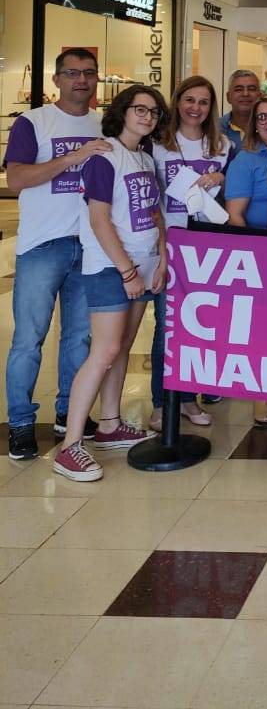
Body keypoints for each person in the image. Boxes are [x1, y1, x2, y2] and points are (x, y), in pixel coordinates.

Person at [53, 86, 168, 481]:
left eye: (154, 112)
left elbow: (153, 213)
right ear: (122, 112)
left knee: (121, 348)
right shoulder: (104, 157)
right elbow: (99, 220)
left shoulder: (145, 157)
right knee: (103, 351)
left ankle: (110, 423)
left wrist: (162, 256)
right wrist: (127, 272)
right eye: (140, 109)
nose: (148, 117)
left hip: (144, 265)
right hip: (111, 268)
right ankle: (70, 446)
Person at [4, 48, 110, 460]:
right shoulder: (33, 122)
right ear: (56, 79)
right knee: (28, 339)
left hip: (90, 246)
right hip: (42, 245)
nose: (81, 80)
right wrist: (73, 157)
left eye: (88, 73)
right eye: (72, 73)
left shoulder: (104, 125)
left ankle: (70, 414)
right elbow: (16, 178)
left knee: (79, 338)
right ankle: (20, 424)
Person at [149, 76, 231, 431]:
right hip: (169, 244)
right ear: (178, 101)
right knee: (166, 327)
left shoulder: (223, 145)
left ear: (211, 107)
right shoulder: (157, 144)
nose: (195, 108)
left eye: (203, 102)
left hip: (207, 247)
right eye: (189, 100)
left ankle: (187, 398)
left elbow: (231, 193)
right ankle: (160, 402)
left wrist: (222, 179)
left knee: (198, 326)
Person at [225, 94, 267, 426]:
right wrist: (249, 255)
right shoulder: (247, 160)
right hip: (261, 249)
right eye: (262, 117)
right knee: (262, 325)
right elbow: (235, 214)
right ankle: (261, 393)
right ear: (254, 125)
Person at [221, 69, 260, 151]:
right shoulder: (214, 130)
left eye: (251, 89)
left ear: (260, 96)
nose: (245, 94)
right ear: (228, 97)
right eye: (238, 89)